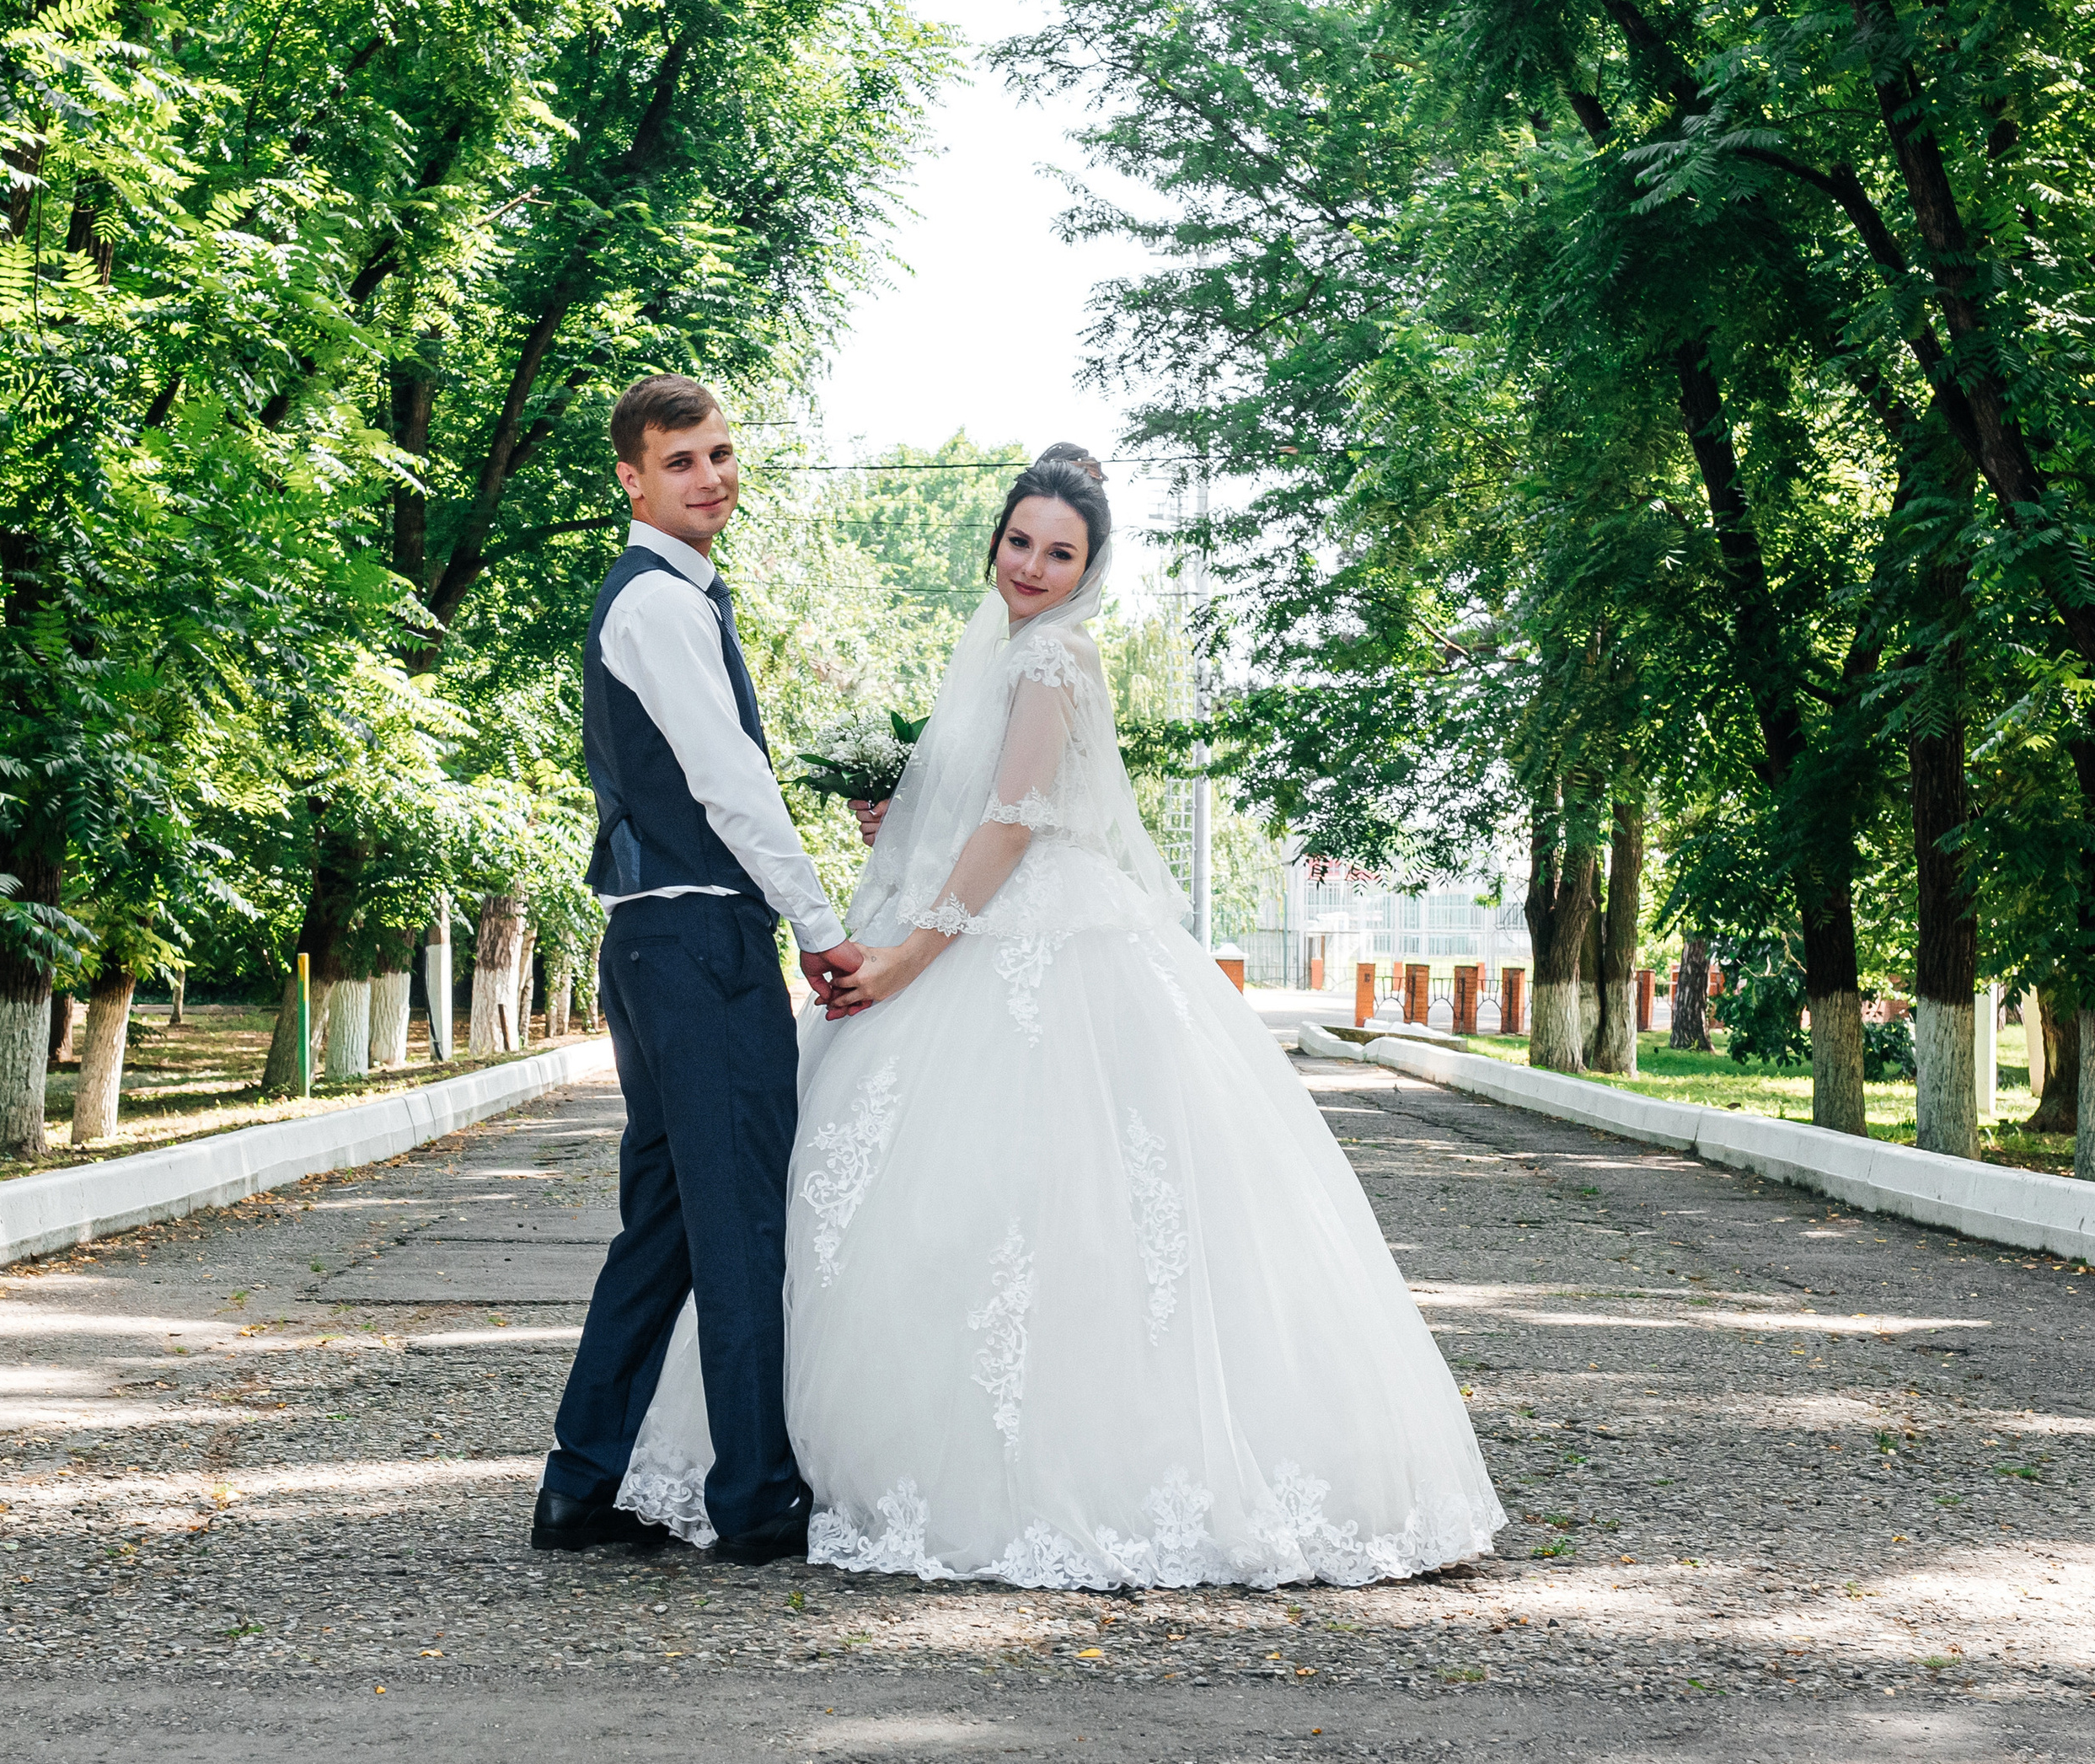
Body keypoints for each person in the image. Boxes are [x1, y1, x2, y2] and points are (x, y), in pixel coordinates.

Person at [619, 444, 1504, 1586]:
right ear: (996, 542)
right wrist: (904, 817)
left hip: (1045, 936)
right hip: (992, 914)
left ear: (1091, 569)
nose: (1033, 567)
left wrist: (909, 958)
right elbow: (982, 802)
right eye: (1020, 542)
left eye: (1060, 554)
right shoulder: (1004, 650)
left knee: (1068, 1202)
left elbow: (1014, 825)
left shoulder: (1053, 656)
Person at [532, 374, 865, 1563]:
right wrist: (817, 924)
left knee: (668, 1228)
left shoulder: (664, 597)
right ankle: (758, 1501)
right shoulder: (661, 606)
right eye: (681, 461)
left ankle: (580, 1487)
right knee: (739, 1226)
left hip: (655, 942)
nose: (710, 477)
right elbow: (731, 784)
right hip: (699, 941)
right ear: (632, 479)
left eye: (720, 453)